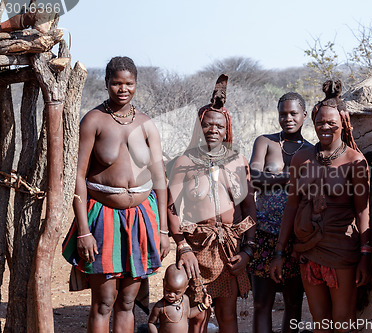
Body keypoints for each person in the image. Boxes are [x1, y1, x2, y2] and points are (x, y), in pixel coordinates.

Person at [62, 56, 170, 333]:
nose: (123, 89)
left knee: (127, 301)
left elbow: (159, 178)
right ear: (107, 83)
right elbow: (78, 176)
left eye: (129, 83)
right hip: (103, 217)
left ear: (136, 84)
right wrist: (83, 232)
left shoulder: (146, 124)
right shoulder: (94, 121)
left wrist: (163, 230)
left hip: (142, 217)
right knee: (103, 302)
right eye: (116, 83)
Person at [270, 80, 371, 333]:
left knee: (343, 321)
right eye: (319, 123)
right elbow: (291, 206)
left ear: (342, 124)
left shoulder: (354, 161)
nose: (325, 127)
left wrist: (366, 257)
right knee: (320, 321)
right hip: (307, 250)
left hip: (342, 250)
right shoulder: (301, 158)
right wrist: (280, 252)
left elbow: (362, 211)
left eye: (331, 123)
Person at [167, 74, 257, 333]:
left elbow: (249, 207)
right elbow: (170, 206)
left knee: (228, 315)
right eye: (207, 125)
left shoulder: (238, 161)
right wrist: (182, 246)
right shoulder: (186, 161)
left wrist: (248, 249)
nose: (213, 130)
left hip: (230, 249)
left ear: (227, 129)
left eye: (219, 126)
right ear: (199, 127)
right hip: (196, 247)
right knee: (197, 316)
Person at [247, 92, 311, 333]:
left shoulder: (311, 151)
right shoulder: (265, 142)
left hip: (296, 236)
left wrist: (272, 178)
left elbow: (309, 190)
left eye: (294, 113)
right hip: (264, 232)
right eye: (283, 114)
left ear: (304, 115)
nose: (288, 118)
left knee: (293, 303)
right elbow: (254, 178)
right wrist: (290, 178)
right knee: (262, 303)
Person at [148, 264, 212, 333]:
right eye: (168, 290)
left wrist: (204, 306)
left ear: (185, 289)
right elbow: (151, 323)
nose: (171, 295)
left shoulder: (185, 300)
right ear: (164, 283)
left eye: (176, 293)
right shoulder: (160, 306)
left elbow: (189, 314)